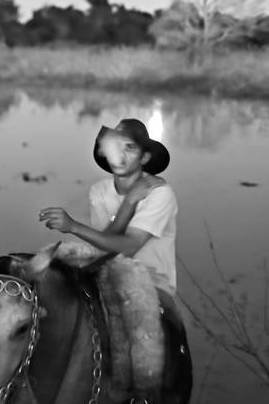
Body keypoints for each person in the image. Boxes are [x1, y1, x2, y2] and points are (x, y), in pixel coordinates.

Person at [38, 118, 177, 293]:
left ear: (144, 157)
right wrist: (129, 201)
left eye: (130, 147)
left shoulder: (159, 193)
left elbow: (129, 246)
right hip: (112, 276)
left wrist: (73, 226)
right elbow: (105, 245)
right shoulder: (99, 191)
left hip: (152, 284)